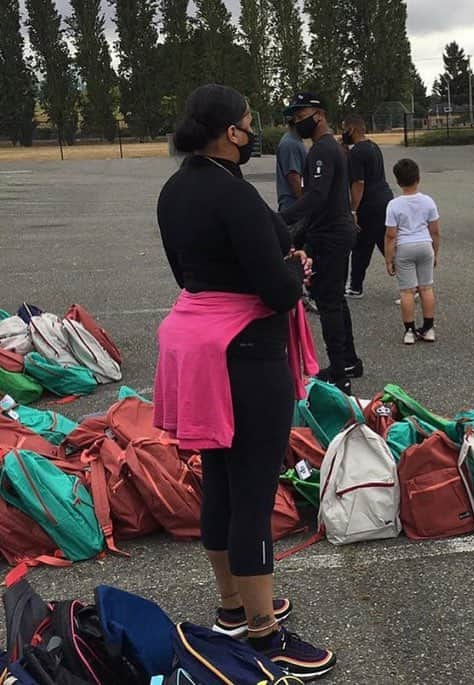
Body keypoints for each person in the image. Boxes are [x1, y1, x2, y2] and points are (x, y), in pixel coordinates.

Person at [154, 84, 335, 680]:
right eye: (249, 121)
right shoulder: (232, 194)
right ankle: (265, 635)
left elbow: (189, 273)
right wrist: (293, 265)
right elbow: (278, 290)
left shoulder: (176, 187)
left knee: (222, 482)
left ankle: (233, 607)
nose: (253, 129)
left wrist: (275, 265)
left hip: (197, 346)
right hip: (246, 352)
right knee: (254, 491)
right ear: (231, 131)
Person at [281, 93, 361, 393]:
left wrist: (283, 219)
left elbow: (316, 196)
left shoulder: (323, 151)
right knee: (336, 300)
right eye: (294, 118)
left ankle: (339, 374)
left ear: (320, 115)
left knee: (328, 303)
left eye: (302, 116)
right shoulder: (331, 148)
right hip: (334, 230)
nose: (297, 122)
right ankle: (349, 360)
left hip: (331, 235)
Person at [385, 158, 440, 344]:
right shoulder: (428, 201)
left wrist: (388, 259)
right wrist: (435, 252)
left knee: (407, 291)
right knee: (426, 287)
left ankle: (409, 331)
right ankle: (429, 328)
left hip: (405, 247)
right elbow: (435, 231)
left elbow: (391, 235)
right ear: (418, 178)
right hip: (425, 245)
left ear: (398, 181)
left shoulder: (394, 205)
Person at [342, 114, 394, 299]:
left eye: (344, 128)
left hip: (369, 205)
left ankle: (355, 287)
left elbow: (358, 183)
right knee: (382, 243)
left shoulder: (357, 152)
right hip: (384, 199)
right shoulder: (372, 146)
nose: (342, 132)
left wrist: (353, 209)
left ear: (352, 129)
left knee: (361, 246)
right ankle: (413, 282)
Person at [275, 96, 310, 211]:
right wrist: (305, 204)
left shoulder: (295, 140)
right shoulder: (290, 144)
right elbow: (293, 177)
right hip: (293, 206)